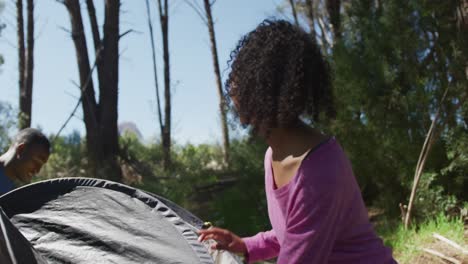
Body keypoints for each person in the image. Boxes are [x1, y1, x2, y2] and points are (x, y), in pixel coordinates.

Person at [198, 20, 397, 263]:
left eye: (245, 73)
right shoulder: (273, 154)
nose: (233, 85)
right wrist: (246, 245)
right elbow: (292, 232)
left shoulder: (319, 171)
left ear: (270, 87)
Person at [0, 128, 50, 196]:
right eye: (36, 162)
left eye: (41, 165)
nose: (37, 171)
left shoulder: (13, 194)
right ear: (21, 150)